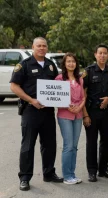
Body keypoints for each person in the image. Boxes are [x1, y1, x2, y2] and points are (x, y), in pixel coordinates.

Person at [10, 37, 63, 191]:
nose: (41, 48)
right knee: (28, 145)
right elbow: (14, 86)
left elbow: (57, 86)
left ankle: (49, 173)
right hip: (30, 110)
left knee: (49, 144)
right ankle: (25, 178)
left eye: (44, 46)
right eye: (38, 46)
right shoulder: (24, 65)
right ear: (33, 47)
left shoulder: (51, 65)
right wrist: (31, 100)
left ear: (47, 48)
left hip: (47, 112)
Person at [82, 44, 108, 182]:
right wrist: (85, 115)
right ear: (95, 55)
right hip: (91, 112)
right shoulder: (88, 72)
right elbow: (82, 95)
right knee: (91, 142)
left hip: (107, 111)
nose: (102, 56)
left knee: (105, 141)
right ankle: (92, 171)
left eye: (105, 53)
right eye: (100, 53)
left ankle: (103, 169)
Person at [55, 53, 85, 185]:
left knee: (74, 146)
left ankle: (72, 174)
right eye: (68, 61)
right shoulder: (59, 79)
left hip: (78, 115)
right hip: (64, 115)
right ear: (64, 64)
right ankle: (67, 176)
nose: (71, 64)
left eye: (73, 61)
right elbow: (56, 98)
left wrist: (79, 108)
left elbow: (83, 97)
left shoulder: (80, 79)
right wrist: (68, 106)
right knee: (68, 146)